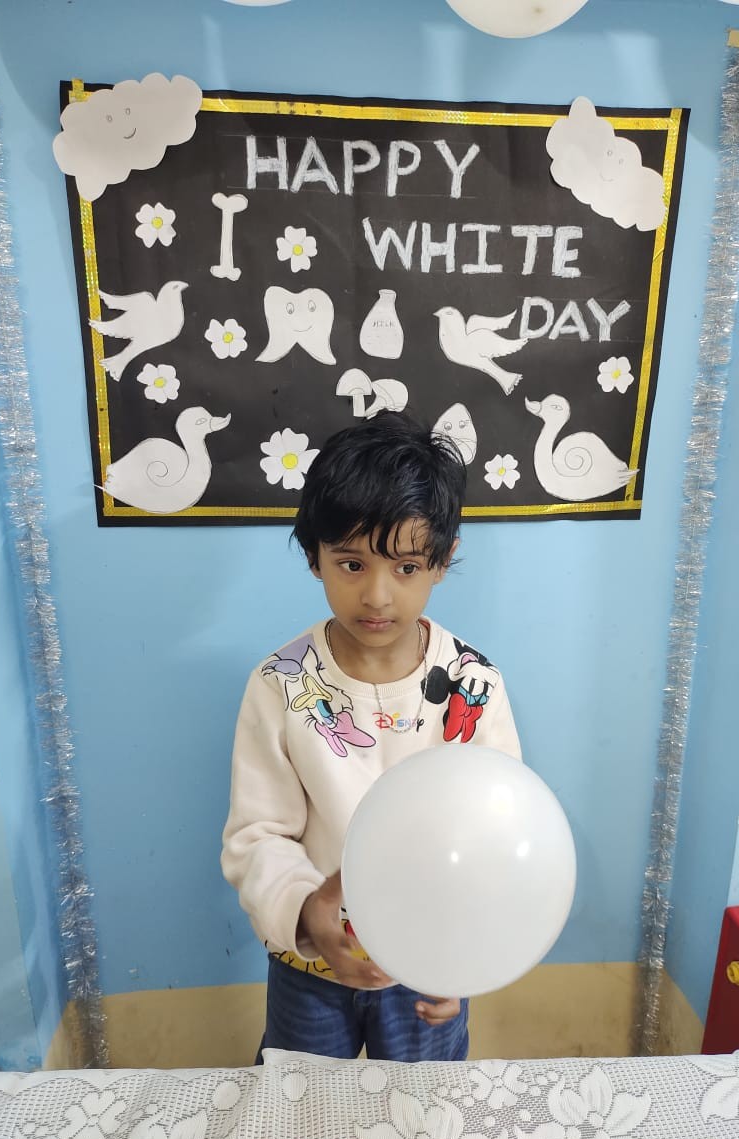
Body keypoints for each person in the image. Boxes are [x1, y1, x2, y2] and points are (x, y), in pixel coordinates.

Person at [221, 410, 522, 1062]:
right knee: (300, 1105)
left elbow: (496, 835)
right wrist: (305, 910)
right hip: (310, 964)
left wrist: (464, 954)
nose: (378, 595)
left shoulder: (474, 686)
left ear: (443, 560)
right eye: (352, 564)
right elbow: (258, 834)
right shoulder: (281, 685)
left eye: (406, 567)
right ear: (314, 557)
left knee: (422, 1106)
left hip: (427, 959)